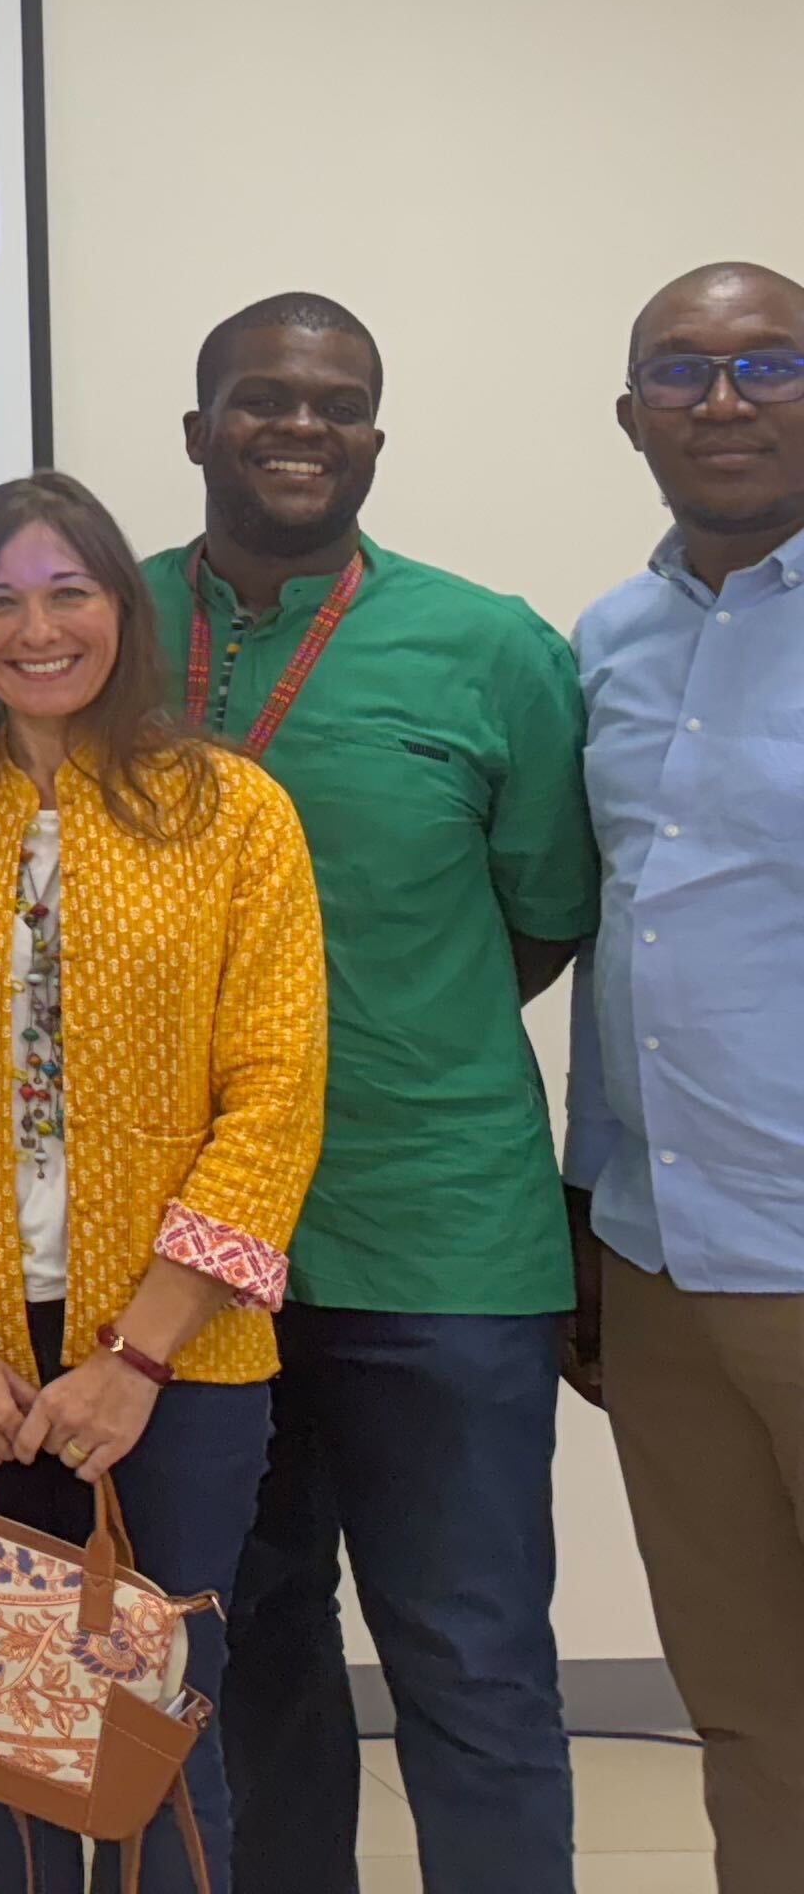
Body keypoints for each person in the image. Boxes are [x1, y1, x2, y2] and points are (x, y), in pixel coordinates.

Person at [138, 296, 593, 1894]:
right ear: (198, 431)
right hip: (189, 1258)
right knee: (246, 1652)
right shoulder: (105, 628)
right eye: (263, 398)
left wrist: (388, 1031)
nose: (301, 427)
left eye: (338, 404)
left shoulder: (493, 650)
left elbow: (544, 914)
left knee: (472, 1659)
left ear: (376, 440)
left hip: (435, 1244)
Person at [0, 470, 326, 1894]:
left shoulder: (234, 816)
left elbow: (276, 1094)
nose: (35, 630)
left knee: (159, 1731)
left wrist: (138, 1359)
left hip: (174, 1354)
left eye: (68, 593)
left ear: (122, 610)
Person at [565, 260, 804, 1892]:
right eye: (682, 369)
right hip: (655, 1263)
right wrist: (588, 1205)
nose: (722, 399)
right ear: (630, 413)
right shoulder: (608, 641)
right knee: (743, 1704)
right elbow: (615, 934)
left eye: (766, 363)